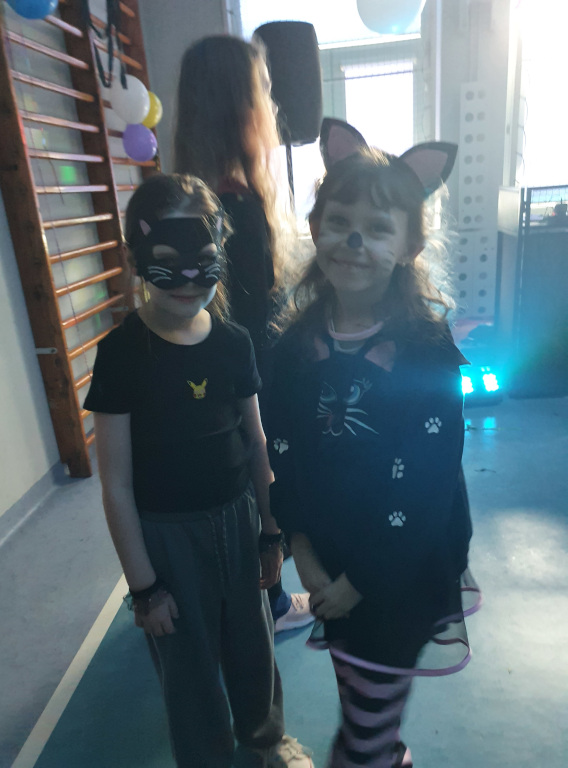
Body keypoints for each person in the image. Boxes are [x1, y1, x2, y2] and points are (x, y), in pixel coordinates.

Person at [266, 120, 480, 768]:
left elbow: (428, 483)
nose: (354, 240)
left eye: (378, 228)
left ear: (410, 244)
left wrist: (362, 580)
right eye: (340, 221)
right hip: (329, 560)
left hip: (399, 573)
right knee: (361, 699)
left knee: (361, 732)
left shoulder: (425, 350)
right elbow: (284, 451)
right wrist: (303, 548)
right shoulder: (296, 346)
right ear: (316, 227)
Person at [84, 174, 313, 768]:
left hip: (238, 522)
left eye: (203, 261)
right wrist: (144, 588)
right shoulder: (121, 356)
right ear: (137, 259)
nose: (189, 280)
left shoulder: (234, 343)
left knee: (254, 649)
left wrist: (271, 533)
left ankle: (265, 741)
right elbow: (116, 485)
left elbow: (256, 442)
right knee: (186, 666)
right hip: (167, 539)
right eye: (168, 263)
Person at [173, 34, 313, 634]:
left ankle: (251, 593)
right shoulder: (238, 206)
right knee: (262, 483)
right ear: (243, 106)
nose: (272, 106)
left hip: (206, 376)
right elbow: (255, 321)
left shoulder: (189, 198)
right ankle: (271, 601)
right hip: (249, 381)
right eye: (264, 92)